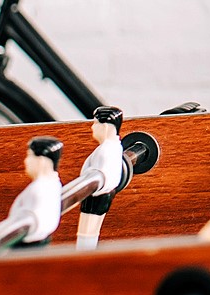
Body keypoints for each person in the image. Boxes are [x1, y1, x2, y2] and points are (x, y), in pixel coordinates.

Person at [73, 106, 128, 248]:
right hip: (104, 193)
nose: (92, 127)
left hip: (96, 195)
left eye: (95, 123)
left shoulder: (105, 150)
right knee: (91, 231)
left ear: (105, 127)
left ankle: (84, 258)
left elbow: (99, 175)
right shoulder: (115, 146)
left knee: (87, 231)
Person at [8, 136, 65, 247]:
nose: (26, 161)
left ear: (41, 161)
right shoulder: (53, 183)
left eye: (29, 156)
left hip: (27, 242)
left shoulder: (39, 189)